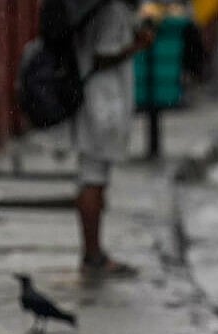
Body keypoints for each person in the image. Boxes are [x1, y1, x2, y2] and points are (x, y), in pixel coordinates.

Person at [72, 0, 156, 277]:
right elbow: (103, 54)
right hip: (103, 103)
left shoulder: (100, 9)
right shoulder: (112, 10)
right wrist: (138, 45)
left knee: (94, 177)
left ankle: (94, 253)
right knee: (93, 178)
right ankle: (92, 255)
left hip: (97, 100)